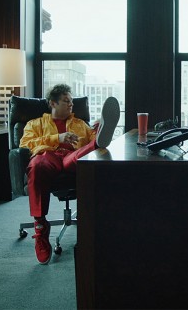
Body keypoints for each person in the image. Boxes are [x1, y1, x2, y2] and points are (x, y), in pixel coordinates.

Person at [20, 84, 120, 264]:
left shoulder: (80, 124)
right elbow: (25, 144)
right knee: (37, 165)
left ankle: (100, 135)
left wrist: (97, 133)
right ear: (53, 103)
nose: (71, 105)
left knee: (89, 150)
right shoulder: (35, 124)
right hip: (48, 155)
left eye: (72, 101)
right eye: (66, 101)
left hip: (71, 157)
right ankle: (40, 226)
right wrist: (57, 138)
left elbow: (92, 149)